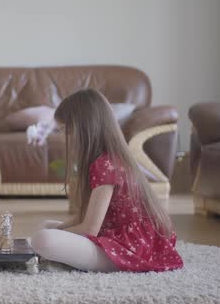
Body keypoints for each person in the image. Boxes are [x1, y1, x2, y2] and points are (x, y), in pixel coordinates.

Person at [30, 88, 183, 272]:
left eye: (65, 131)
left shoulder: (105, 164)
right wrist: (60, 228)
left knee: (43, 239)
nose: (63, 139)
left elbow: (89, 229)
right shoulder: (109, 158)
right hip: (120, 236)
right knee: (45, 226)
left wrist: (56, 234)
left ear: (83, 128)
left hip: (129, 248)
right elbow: (86, 217)